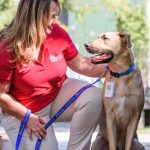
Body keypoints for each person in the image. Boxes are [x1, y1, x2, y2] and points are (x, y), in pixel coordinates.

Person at [0, 0, 145, 150]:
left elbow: (82, 65)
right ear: (35, 15)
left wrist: (120, 67)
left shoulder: (57, 33)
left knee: (93, 96)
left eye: (56, 16)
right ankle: (3, 143)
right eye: (51, 16)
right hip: (22, 110)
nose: (54, 21)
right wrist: (26, 117)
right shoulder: (7, 46)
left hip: (55, 96)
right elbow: (1, 96)